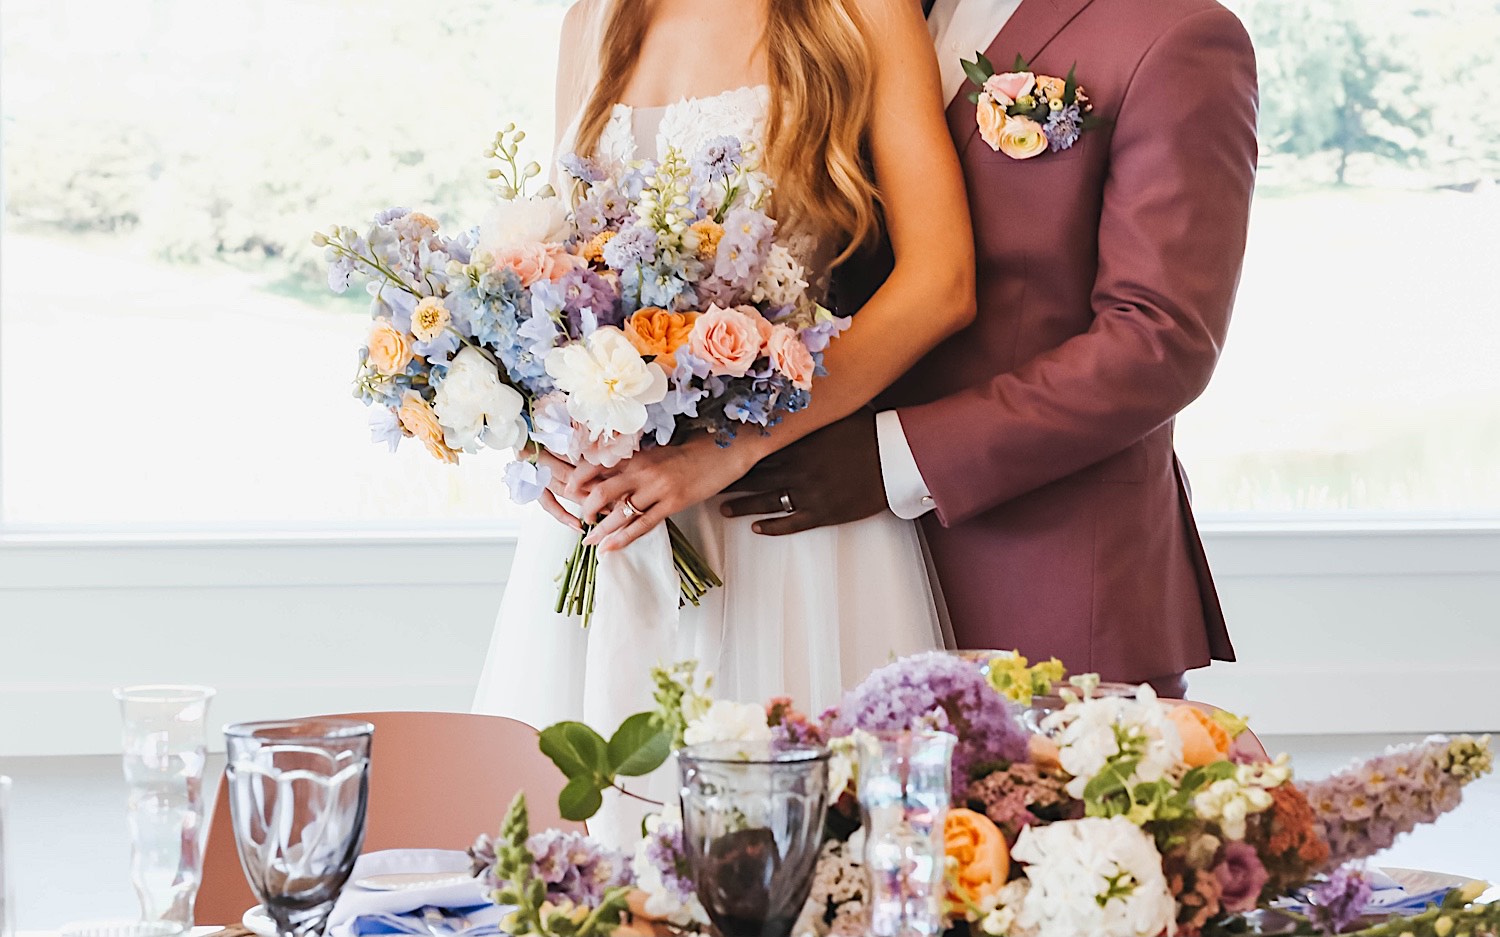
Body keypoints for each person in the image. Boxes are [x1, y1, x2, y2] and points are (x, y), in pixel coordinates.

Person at [720, 0, 1261, 699]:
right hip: (833, 581)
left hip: (1050, 592)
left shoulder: (1176, 34)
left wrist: (895, 458)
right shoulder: (847, 19)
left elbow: (1158, 340)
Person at [473, 0, 975, 746]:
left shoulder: (860, 12)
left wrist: (729, 448)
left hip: (778, 515)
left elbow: (942, 282)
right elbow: (563, 262)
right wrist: (537, 427)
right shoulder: (593, 20)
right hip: (609, 524)